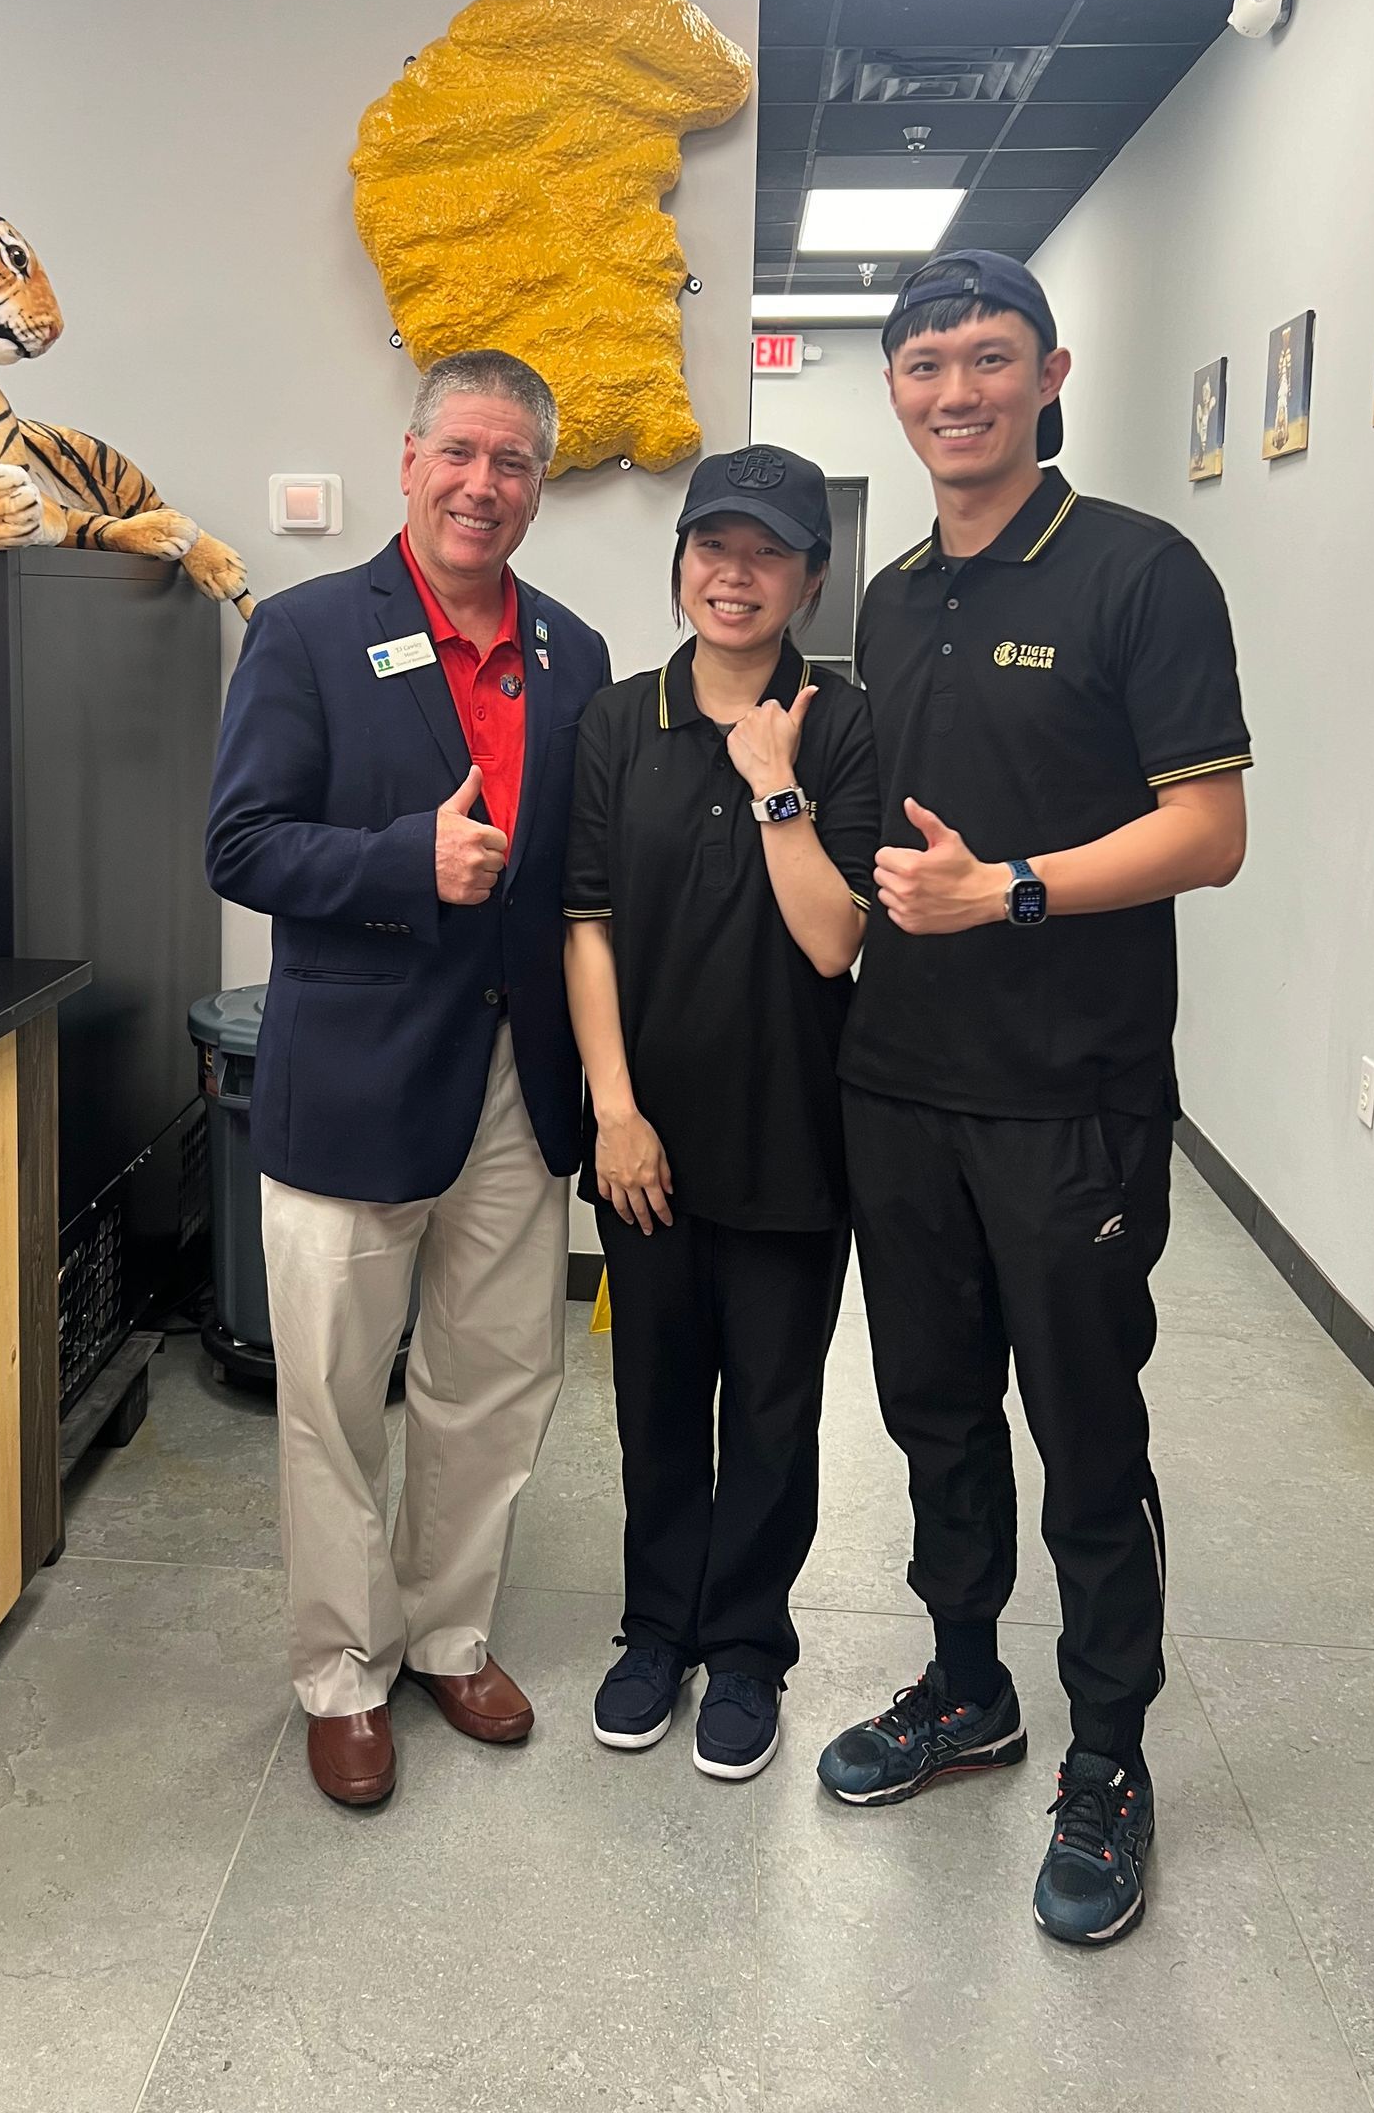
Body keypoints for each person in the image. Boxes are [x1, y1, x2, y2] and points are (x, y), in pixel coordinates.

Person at [815, 252, 1250, 1948]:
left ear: (1049, 373)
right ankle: (961, 1685)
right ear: (898, 393)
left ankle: (1114, 1757)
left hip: (1069, 1099)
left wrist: (1012, 893)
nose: (954, 392)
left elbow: (1209, 835)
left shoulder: (1142, 571)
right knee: (931, 1415)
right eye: (924, 366)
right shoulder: (899, 590)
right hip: (899, 1088)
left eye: (988, 360)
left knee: (1084, 1428)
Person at [205, 350, 609, 1807]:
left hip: (520, 1080)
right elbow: (240, 847)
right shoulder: (309, 632)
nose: (482, 485)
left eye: (513, 464)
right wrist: (402, 863)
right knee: (327, 1391)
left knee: (493, 1378)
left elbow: (579, 880)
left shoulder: (573, 652)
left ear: (537, 487)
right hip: (359, 1077)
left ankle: (446, 1633)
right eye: (462, 453)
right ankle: (339, 1669)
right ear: (410, 458)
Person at [564, 447, 880, 1782]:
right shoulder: (617, 721)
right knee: (652, 1398)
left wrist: (774, 782)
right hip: (651, 1137)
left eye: (767, 553)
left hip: (795, 1133)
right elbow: (587, 927)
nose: (732, 574)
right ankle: (657, 1632)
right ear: (682, 558)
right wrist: (613, 1113)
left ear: (809, 575)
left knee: (770, 1403)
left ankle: (747, 1646)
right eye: (713, 546)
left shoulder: (845, 720)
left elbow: (833, 941)